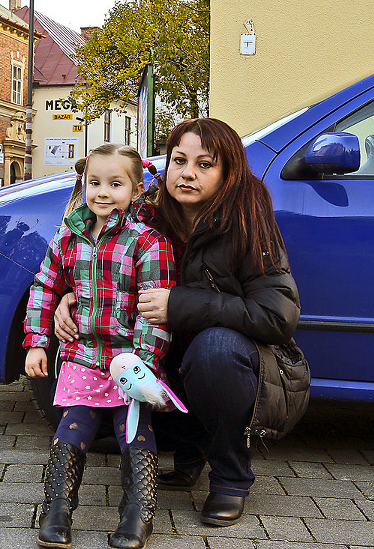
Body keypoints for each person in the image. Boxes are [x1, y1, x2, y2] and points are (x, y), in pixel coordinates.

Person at [54, 118, 308, 527]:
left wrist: (180, 304)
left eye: (205, 164)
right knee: (109, 359)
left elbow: (278, 315)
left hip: (247, 368)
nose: (188, 173)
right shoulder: (146, 219)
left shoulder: (247, 223)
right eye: (179, 160)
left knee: (215, 351)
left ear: (228, 173)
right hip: (166, 360)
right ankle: (190, 450)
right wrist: (70, 296)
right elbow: (94, 261)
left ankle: (230, 476)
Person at [24, 143, 175, 549]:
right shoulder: (69, 235)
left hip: (129, 358)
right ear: (83, 184)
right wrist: (37, 343)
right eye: (94, 182)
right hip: (84, 355)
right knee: (74, 421)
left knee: (134, 428)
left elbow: (154, 307)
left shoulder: (148, 241)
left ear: (137, 188)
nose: (103, 192)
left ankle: (137, 512)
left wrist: (141, 363)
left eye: (115, 183)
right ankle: (56, 507)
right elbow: (44, 287)